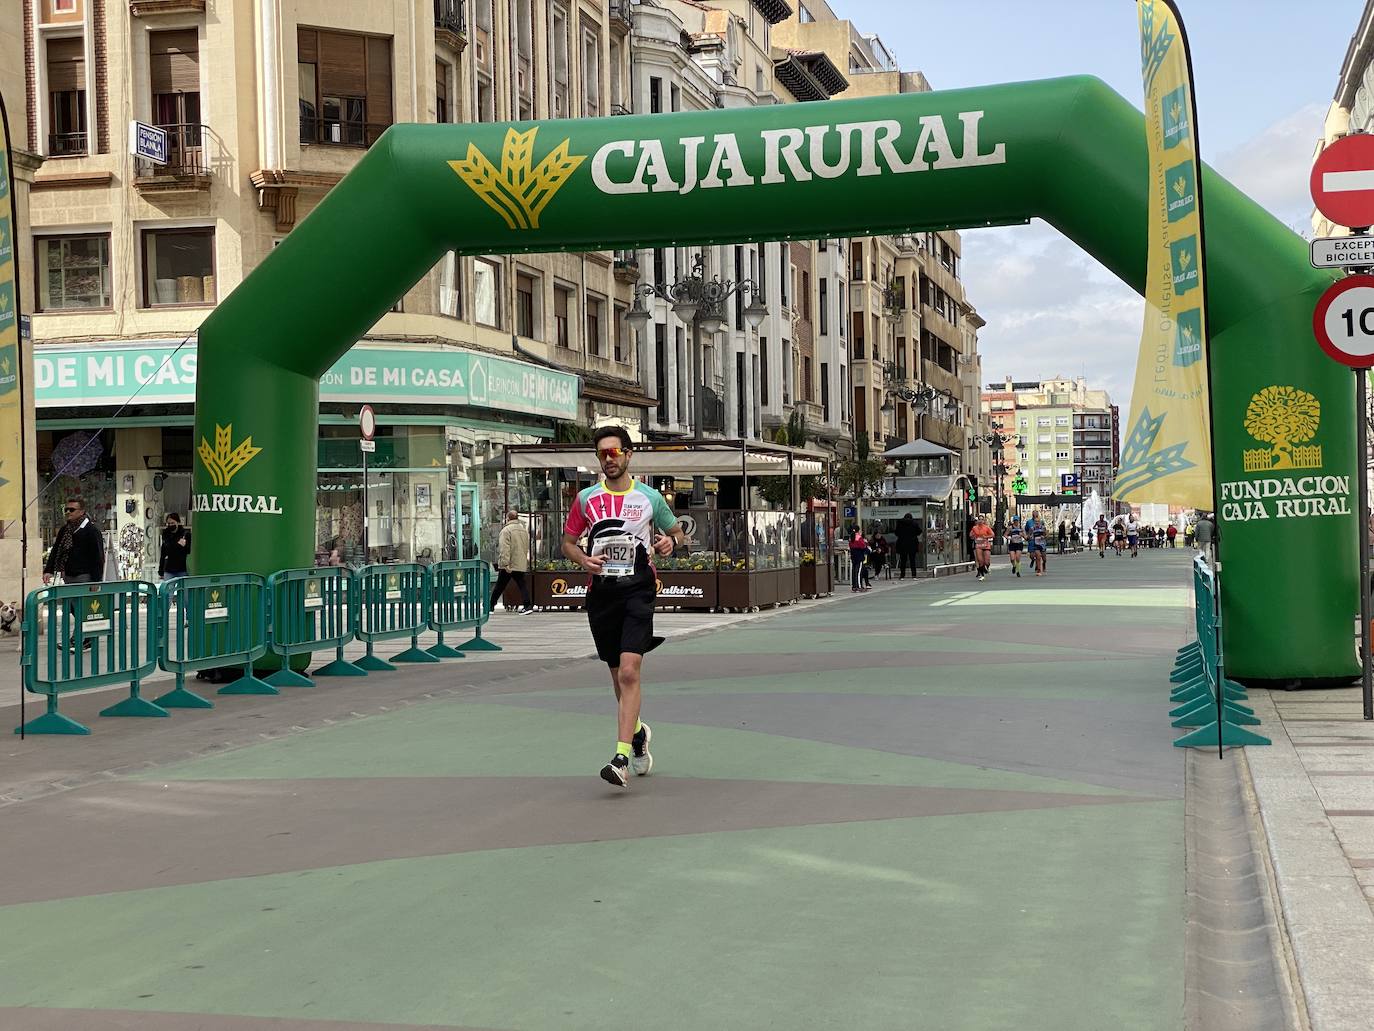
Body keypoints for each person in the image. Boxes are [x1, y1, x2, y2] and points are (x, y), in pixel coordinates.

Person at [562, 427, 689, 788]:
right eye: (602, 454)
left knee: (631, 672)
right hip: (602, 593)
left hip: (638, 590)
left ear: (629, 454)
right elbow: (568, 543)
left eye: (615, 452)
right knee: (618, 676)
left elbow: (677, 532)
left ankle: (619, 757)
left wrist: (670, 542)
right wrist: (583, 560)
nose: (609, 459)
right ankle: (637, 733)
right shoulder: (586, 498)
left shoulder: (649, 497)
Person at [43, 498, 104, 586]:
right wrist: (48, 570)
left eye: (72, 510)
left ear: (82, 511)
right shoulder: (65, 529)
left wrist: (96, 581)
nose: (68, 512)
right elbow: (55, 550)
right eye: (66, 510)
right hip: (66, 576)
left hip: (84, 577)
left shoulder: (91, 530)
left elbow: (97, 557)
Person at [490, 510, 534, 613]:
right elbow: (526, 547)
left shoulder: (506, 530)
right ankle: (527, 606)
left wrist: (505, 564)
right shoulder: (523, 530)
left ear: (508, 518)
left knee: (499, 586)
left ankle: (490, 606)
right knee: (522, 584)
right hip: (520, 563)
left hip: (509, 564)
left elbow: (504, 549)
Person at [158, 513, 191, 579]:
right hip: (169, 569)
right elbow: (164, 553)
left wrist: (184, 546)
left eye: (172, 523)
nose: (170, 525)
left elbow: (189, 551)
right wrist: (161, 571)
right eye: (168, 523)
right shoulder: (166, 534)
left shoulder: (185, 534)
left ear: (178, 522)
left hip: (182, 569)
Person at [894, 512, 920, 578]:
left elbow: (896, 532)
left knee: (903, 560)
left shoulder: (900, 523)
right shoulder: (915, 523)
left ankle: (902, 575)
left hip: (902, 544)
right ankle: (914, 575)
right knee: (912, 560)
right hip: (912, 544)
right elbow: (919, 531)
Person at [970, 514, 994, 581]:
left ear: (984, 521)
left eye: (982, 519)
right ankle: (982, 575)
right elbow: (971, 535)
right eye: (979, 519)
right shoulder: (974, 528)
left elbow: (992, 535)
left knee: (987, 561)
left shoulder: (986, 527)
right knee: (980, 561)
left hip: (986, 545)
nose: (980, 521)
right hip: (978, 545)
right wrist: (973, 535)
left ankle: (987, 567)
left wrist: (985, 537)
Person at [1025, 511, 1048, 576]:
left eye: (1038, 522)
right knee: (1038, 556)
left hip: (1042, 544)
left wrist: (1043, 536)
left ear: (1040, 522)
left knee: (1044, 558)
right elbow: (1029, 534)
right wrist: (1029, 537)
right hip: (1035, 544)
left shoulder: (1043, 527)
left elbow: (1047, 535)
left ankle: (1044, 564)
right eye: (1035, 522)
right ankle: (1039, 570)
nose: (1037, 523)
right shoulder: (1032, 528)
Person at [848, 527, 870, 592]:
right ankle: (859, 586)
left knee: (854, 571)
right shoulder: (858, 537)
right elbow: (863, 546)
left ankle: (854, 586)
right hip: (859, 556)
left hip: (853, 556)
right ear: (859, 530)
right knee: (858, 572)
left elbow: (850, 546)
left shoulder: (851, 537)